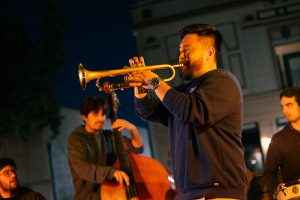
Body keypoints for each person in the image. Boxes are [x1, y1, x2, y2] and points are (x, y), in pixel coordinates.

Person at [127, 23, 248, 200]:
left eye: (187, 50)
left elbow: (192, 111)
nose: (181, 56)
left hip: (219, 192)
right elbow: (149, 112)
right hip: (190, 192)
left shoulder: (223, 81)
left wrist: (154, 81)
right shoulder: (183, 91)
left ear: (210, 52)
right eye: (180, 50)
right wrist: (141, 88)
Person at [67, 95, 143, 200]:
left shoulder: (109, 136)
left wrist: (133, 130)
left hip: (112, 190)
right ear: (84, 117)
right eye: (95, 114)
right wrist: (112, 172)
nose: (100, 118)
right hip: (88, 196)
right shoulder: (76, 138)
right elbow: (82, 168)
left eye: (103, 114)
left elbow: (137, 148)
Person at [264, 87, 300, 199]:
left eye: (289, 105)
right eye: (282, 106)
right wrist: (279, 193)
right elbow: (269, 174)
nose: (284, 111)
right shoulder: (278, 139)